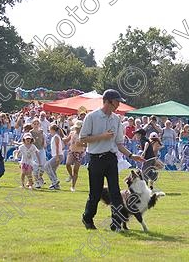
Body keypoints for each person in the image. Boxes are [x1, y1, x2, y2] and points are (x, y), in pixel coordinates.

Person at [79, 89, 145, 231]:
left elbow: (119, 144)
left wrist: (131, 156)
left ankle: (115, 223)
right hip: (96, 159)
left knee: (115, 193)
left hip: (111, 159)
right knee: (95, 194)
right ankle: (87, 218)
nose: (119, 104)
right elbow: (82, 139)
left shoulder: (117, 120)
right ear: (108, 101)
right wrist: (101, 136)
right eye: (117, 101)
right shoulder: (91, 117)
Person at [64, 120, 86, 192]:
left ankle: (73, 186)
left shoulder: (84, 135)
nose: (77, 129)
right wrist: (63, 139)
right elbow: (67, 139)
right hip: (72, 151)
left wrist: (81, 144)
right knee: (68, 164)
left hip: (79, 153)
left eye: (78, 128)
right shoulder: (72, 133)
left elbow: (87, 144)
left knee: (76, 170)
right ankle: (71, 175)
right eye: (76, 127)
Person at [45, 124, 63, 190]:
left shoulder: (56, 137)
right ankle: (55, 185)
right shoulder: (55, 136)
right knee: (52, 169)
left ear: (52, 130)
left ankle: (54, 181)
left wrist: (57, 156)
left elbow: (57, 147)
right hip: (57, 155)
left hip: (58, 155)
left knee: (46, 166)